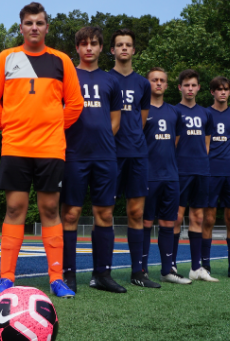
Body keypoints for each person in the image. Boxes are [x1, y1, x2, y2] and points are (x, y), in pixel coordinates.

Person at [0, 2, 83, 298]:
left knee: (51, 209)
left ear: (47, 27)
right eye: (29, 23)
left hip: (51, 148)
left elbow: (75, 104)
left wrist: (50, 126)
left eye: (40, 23)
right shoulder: (6, 57)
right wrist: (12, 125)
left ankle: (56, 278)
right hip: (15, 146)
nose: (35, 28)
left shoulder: (61, 60)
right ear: (21, 27)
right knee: (15, 208)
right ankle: (6, 277)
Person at [61, 26, 125, 294]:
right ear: (77, 47)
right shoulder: (66, 76)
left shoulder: (111, 81)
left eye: (94, 43)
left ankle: (102, 274)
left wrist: (99, 142)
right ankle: (68, 275)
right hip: (73, 155)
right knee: (71, 213)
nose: (89, 48)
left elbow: (115, 122)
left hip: (104, 156)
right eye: (84, 43)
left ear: (101, 48)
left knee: (105, 213)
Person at [108, 29, 159, 288]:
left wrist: (132, 139)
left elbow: (140, 120)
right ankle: (102, 273)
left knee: (136, 212)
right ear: (113, 50)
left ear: (134, 50)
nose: (124, 48)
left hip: (137, 153)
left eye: (128, 44)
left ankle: (138, 272)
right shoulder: (105, 80)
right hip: (110, 154)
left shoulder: (143, 84)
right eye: (120, 45)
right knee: (104, 211)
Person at [142, 67, 191, 284]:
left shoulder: (174, 112)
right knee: (144, 223)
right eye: (154, 80)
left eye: (162, 80)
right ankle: (141, 268)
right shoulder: (141, 110)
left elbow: (176, 141)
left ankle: (167, 269)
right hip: (148, 175)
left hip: (171, 175)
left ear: (167, 85)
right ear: (148, 84)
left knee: (168, 223)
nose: (159, 83)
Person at [174, 69, 218, 282]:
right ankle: (171, 265)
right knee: (176, 218)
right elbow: (173, 144)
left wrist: (202, 162)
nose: (190, 89)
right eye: (186, 85)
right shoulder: (174, 112)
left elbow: (207, 143)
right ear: (180, 87)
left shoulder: (206, 113)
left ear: (199, 88)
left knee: (198, 218)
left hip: (202, 170)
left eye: (194, 85)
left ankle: (195, 267)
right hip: (181, 171)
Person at [203, 76, 230, 280]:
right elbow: (203, 143)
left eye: (226, 89)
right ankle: (205, 265)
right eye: (219, 89)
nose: (223, 92)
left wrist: (229, 158)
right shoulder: (205, 113)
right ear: (212, 91)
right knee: (208, 219)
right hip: (211, 172)